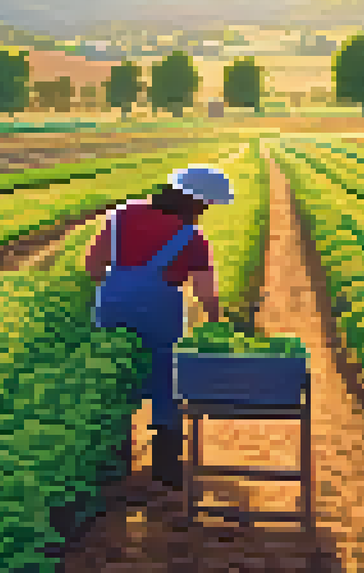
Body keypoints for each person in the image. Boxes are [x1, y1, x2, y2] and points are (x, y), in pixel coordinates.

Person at [83, 166, 233, 488]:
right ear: (193, 203)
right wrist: (216, 321)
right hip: (159, 312)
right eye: (205, 206)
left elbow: (93, 265)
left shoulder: (120, 216)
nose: (205, 213)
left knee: (114, 376)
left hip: (112, 306)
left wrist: (119, 288)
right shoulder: (191, 237)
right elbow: (205, 291)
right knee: (167, 380)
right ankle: (165, 469)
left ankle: (114, 463)